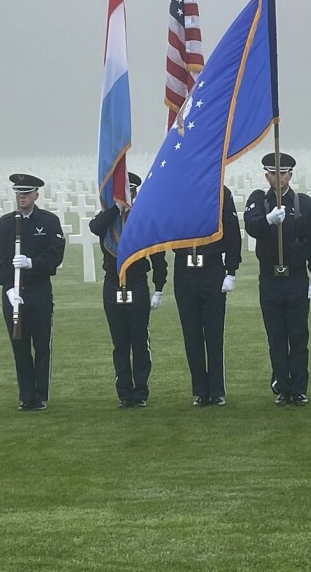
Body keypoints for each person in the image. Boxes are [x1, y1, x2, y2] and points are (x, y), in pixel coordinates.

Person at [243, 152, 311, 406]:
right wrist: (268, 220)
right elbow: (250, 225)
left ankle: (299, 388)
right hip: (270, 279)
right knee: (276, 336)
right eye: (273, 173)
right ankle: (281, 386)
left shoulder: (304, 204)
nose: (278, 178)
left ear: (290, 175)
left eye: (283, 173)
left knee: (298, 335)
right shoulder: (259, 200)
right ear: (267, 175)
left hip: (296, 278)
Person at [90, 172, 169, 408]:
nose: (127, 195)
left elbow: (157, 254)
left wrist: (159, 287)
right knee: (120, 341)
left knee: (139, 339)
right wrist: (115, 209)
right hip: (113, 283)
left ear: (135, 193)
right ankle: (124, 392)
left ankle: (140, 391)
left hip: (136, 282)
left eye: (130, 191)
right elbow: (95, 227)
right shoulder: (108, 217)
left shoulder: (143, 218)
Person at [0, 173, 67, 411]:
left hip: (38, 291)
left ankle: (40, 395)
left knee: (42, 344)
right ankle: (26, 395)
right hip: (13, 293)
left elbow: (55, 256)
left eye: (26, 193)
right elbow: (0, 262)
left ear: (36, 194)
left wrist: (32, 263)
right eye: (18, 193)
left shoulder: (48, 221)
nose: (22, 197)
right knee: (20, 346)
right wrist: (9, 289)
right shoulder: (6, 223)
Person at [172, 185, 242, 407]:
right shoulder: (177, 191)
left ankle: (216, 389)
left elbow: (232, 231)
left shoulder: (220, 191)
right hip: (184, 269)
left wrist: (231, 270)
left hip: (211, 267)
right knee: (191, 333)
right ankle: (200, 390)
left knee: (213, 332)